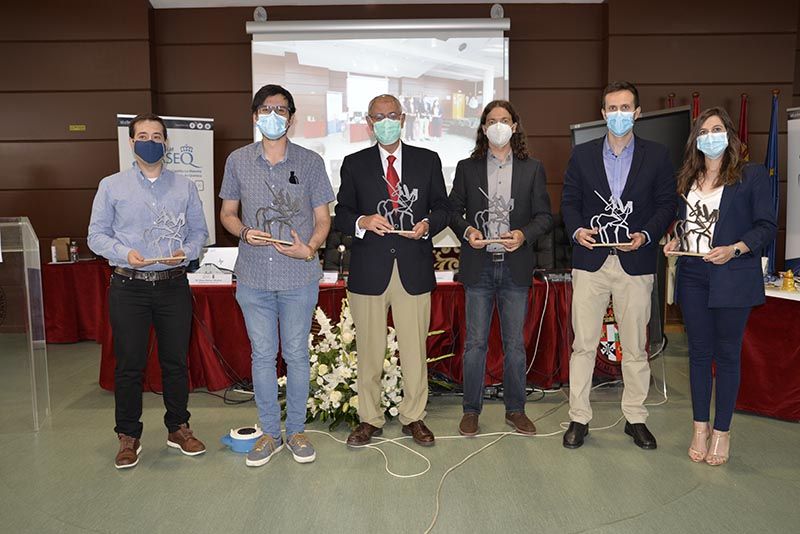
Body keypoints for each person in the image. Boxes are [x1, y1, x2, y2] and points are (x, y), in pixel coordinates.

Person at [219, 84, 334, 467]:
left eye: (281, 109)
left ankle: (297, 431)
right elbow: (228, 214)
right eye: (266, 109)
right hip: (253, 275)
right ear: (255, 116)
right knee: (263, 355)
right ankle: (269, 433)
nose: (274, 115)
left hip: (298, 275)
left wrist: (311, 247)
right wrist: (243, 232)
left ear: (291, 117)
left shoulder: (310, 162)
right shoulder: (237, 160)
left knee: (298, 355)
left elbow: (323, 218)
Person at [88, 113, 209, 469]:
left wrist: (186, 252)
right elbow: (96, 235)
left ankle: (179, 427)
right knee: (129, 365)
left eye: (157, 136)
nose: (150, 141)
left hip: (172, 285)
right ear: (131, 143)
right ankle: (129, 435)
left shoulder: (185, 187)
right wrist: (125, 253)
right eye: (143, 135)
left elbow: (199, 233)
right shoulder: (111, 185)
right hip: (129, 286)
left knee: (175, 362)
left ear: (166, 143)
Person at [560, 81, 677, 450]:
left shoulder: (657, 156)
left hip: (636, 262)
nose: (619, 114)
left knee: (635, 347)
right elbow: (569, 201)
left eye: (626, 108)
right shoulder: (582, 155)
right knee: (583, 345)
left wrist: (645, 234)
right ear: (603, 113)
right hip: (591, 261)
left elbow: (666, 205)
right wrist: (578, 230)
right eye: (612, 108)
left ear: (637, 113)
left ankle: (635, 417)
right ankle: (579, 418)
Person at [335, 94, 450, 447]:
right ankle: (369, 418)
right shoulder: (354, 164)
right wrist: (362, 220)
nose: (385, 121)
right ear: (369, 122)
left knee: (414, 350)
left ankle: (413, 416)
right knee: (369, 349)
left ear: (403, 119)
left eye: (392, 115)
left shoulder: (427, 160)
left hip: (413, 268)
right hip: (370, 270)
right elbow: (341, 212)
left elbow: (443, 207)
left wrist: (428, 224)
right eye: (378, 116)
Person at [664, 107, 776, 465]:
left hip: (733, 275)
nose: (710, 135)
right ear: (696, 140)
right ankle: (700, 426)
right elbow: (683, 224)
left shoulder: (751, 175)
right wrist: (672, 240)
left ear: (729, 134)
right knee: (698, 355)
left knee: (727, 356)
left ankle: (722, 432)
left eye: (716, 128)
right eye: (703, 130)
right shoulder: (686, 178)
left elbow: (766, 226)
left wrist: (735, 249)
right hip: (693, 275)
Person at [448, 100, 553, 436]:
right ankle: (471, 410)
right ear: (482, 128)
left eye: (504, 120)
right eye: (491, 120)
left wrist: (523, 235)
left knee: (514, 345)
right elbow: (453, 210)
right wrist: (467, 231)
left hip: (515, 267)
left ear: (515, 126)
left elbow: (545, 217)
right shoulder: (467, 167)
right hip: (478, 265)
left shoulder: (532, 168)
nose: (498, 125)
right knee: (475, 344)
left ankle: (516, 409)